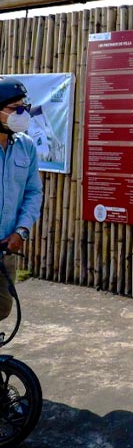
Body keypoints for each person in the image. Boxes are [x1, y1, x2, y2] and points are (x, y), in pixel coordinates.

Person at [0, 77, 43, 321]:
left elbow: (33, 192)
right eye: (14, 108)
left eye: (24, 107)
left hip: (5, 247)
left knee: (3, 307)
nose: (22, 113)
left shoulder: (26, 146)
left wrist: (22, 230)